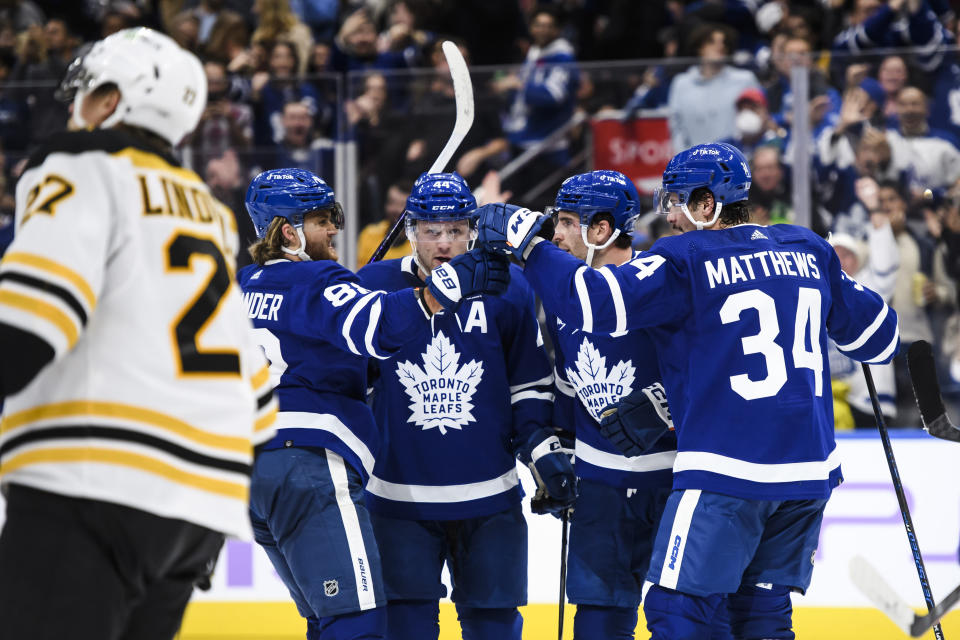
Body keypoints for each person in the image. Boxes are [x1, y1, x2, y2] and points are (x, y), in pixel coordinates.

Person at [472, 142, 900, 639]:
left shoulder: (686, 256)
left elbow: (593, 303)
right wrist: (830, 274)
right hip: (810, 473)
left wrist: (531, 244)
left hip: (727, 470)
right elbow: (882, 339)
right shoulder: (806, 246)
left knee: (677, 614)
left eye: (677, 202)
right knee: (761, 615)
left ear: (706, 203)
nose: (670, 216)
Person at [0, 28, 278, 640]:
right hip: (198, 509)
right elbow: (258, 400)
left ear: (108, 102)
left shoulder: (80, 166)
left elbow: (29, 322)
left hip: (89, 479)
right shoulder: (208, 211)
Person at [239, 168, 511, 640]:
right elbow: (381, 327)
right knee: (358, 622)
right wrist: (445, 286)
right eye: (324, 220)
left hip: (253, 468)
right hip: (308, 465)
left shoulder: (244, 284)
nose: (333, 230)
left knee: (326, 619)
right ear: (289, 231)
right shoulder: (318, 278)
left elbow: (327, 352)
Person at [355, 172, 575, 640]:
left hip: (490, 496)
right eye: (432, 230)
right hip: (397, 499)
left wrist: (541, 451)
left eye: (456, 230)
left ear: (473, 231)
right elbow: (351, 381)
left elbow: (530, 383)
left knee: (494, 628)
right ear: (410, 231)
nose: (444, 243)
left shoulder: (507, 287)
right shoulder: (372, 287)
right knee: (405, 628)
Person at [547, 170, 733, 640]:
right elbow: (568, 382)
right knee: (597, 623)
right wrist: (555, 449)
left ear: (601, 230)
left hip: (677, 485)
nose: (556, 235)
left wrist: (666, 405)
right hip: (600, 488)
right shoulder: (561, 292)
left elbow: (722, 366)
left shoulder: (663, 280)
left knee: (691, 621)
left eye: (567, 222)